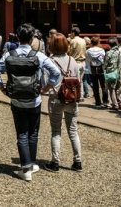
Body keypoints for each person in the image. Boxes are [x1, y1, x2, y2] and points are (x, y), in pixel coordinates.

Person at [0, 23, 60, 181]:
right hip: (34, 98)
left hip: (16, 99)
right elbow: (55, 72)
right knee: (33, 133)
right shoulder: (39, 55)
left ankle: (25, 168)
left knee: (22, 133)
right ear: (32, 38)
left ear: (17, 36)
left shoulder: (9, 54)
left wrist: (2, 88)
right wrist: (46, 88)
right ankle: (32, 164)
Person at [44, 33, 83, 173]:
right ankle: (77, 161)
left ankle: (55, 162)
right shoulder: (72, 60)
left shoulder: (49, 61)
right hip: (72, 98)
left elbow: (46, 81)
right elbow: (78, 80)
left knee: (56, 131)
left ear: (52, 46)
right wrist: (80, 96)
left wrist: (43, 90)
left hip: (56, 97)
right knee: (73, 131)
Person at [103, 37, 121, 110]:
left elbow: (105, 64)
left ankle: (115, 105)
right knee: (118, 89)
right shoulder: (119, 52)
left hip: (111, 73)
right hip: (118, 72)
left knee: (111, 90)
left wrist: (104, 71)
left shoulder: (108, 53)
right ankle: (120, 103)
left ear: (109, 44)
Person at [86, 37, 107, 107]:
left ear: (91, 43)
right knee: (103, 86)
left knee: (95, 86)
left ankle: (98, 103)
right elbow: (104, 60)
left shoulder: (88, 51)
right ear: (98, 43)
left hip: (92, 70)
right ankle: (105, 102)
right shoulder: (102, 50)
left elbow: (87, 61)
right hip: (101, 70)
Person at [67, 27, 87, 99]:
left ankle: (76, 95)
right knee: (80, 81)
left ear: (73, 33)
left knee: (74, 81)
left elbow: (69, 52)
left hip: (76, 62)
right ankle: (81, 95)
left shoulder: (73, 41)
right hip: (83, 62)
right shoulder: (83, 40)